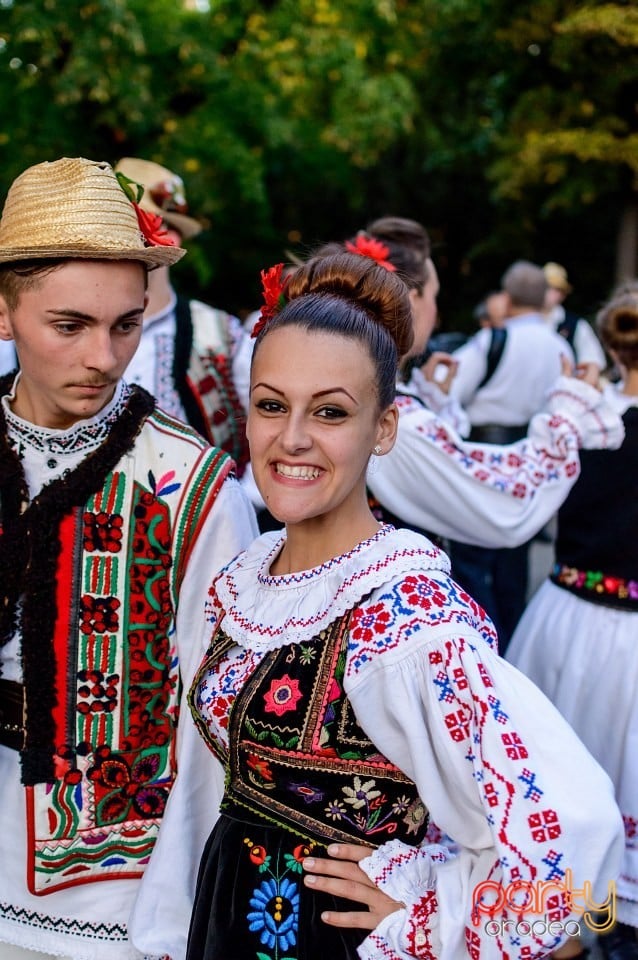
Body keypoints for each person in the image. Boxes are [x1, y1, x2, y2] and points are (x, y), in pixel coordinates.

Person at [184, 249, 622, 960]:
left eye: (330, 411)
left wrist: (433, 914)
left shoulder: (407, 617)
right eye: (272, 405)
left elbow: (578, 869)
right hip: (227, 911)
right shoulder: (249, 576)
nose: (292, 438)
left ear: (383, 428)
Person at [0, 156, 258, 960]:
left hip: (112, 888)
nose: (105, 358)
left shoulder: (194, 487)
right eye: (69, 325)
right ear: (3, 311)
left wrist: (179, 909)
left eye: (126, 324)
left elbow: (220, 717)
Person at [508, 289, 638, 960]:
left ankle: (567, 922)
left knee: (559, 781)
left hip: (564, 616)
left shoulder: (579, 417)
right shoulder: (589, 418)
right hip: (622, 635)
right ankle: (600, 926)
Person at [444, 261, 579, 650]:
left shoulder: (493, 341)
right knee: (514, 556)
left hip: (485, 452)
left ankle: (484, 643)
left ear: (508, 296)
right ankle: (515, 643)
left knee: (471, 554)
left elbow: (454, 391)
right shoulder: (560, 346)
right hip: (530, 456)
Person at [114, 157, 252, 474]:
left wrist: (245, 499)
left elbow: (275, 424)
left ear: (171, 237)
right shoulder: (66, 324)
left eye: (135, 224)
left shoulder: (220, 333)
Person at [543, 261, 607, 372]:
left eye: (555, 288)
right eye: (545, 287)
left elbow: (593, 363)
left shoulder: (577, 325)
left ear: (563, 294)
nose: (547, 292)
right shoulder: (520, 322)